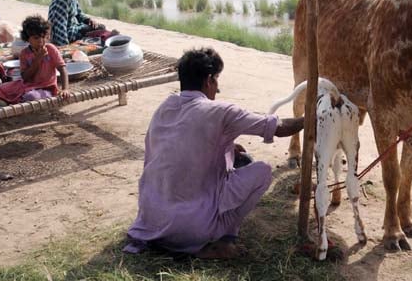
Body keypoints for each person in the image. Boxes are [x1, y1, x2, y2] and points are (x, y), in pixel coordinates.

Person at [125, 48, 305, 259]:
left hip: (150, 222)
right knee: (263, 171)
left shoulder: (165, 107)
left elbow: (181, 144)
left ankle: (185, 237)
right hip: (190, 229)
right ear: (209, 80)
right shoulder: (221, 111)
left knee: (232, 160)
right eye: (217, 80)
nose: (218, 89)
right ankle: (223, 238)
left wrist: (228, 145)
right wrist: (310, 117)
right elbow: (281, 127)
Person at [0, 15, 70, 103]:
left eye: (43, 37)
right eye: (36, 38)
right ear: (27, 39)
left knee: (31, 96)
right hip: (28, 85)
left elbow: (63, 70)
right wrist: (38, 59)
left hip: (47, 87)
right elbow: (25, 77)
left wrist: (65, 89)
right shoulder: (24, 53)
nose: (41, 41)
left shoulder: (51, 49)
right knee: (1, 89)